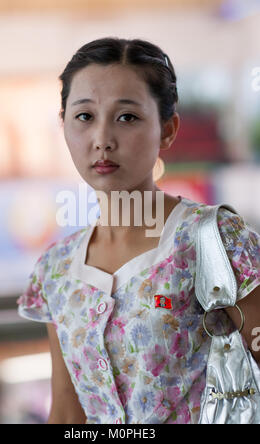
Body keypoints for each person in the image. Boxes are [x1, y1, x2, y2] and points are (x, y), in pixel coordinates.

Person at [16, 37, 260, 424]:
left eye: (126, 117)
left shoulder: (213, 240)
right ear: (63, 125)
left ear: (167, 129)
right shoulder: (56, 270)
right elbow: (66, 411)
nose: (102, 140)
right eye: (84, 116)